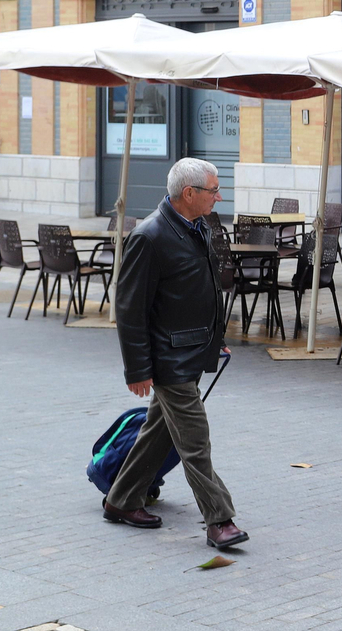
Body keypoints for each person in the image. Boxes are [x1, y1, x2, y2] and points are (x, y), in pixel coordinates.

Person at [104, 158, 248, 551]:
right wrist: (137, 368)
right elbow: (130, 308)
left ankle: (121, 500)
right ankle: (220, 520)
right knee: (195, 440)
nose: (219, 197)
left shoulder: (197, 226)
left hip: (191, 348)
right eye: (213, 190)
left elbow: (201, 291)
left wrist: (215, 339)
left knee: (160, 431)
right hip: (169, 359)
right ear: (189, 193)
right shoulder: (150, 237)